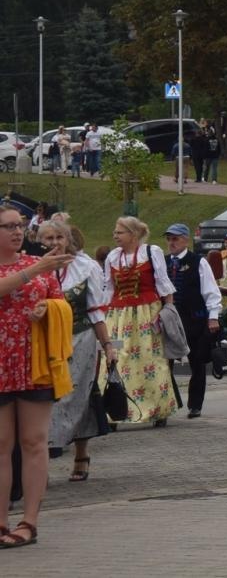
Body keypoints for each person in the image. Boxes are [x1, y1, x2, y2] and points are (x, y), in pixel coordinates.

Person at [0, 207, 69, 550]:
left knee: (33, 442)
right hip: (0, 362)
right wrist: (34, 270)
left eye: (20, 226)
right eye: (8, 226)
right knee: (0, 445)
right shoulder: (37, 266)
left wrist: (49, 310)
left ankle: (29, 522)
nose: (17, 232)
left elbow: (61, 303)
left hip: (34, 362)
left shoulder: (39, 265)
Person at [39, 219, 110, 482]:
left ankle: (81, 453)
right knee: (44, 399)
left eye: (59, 237)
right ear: (40, 241)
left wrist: (108, 345)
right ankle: (40, 462)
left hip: (80, 338)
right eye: (49, 238)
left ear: (69, 240)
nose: (54, 243)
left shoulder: (86, 267)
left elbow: (96, 311)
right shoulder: (35, 268)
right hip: (44, 341)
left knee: (78, 394)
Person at [100, 216, 178, 426]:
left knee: (151, 360)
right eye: (115, 232)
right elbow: (108, 288)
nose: (115, 236)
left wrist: (168, 310)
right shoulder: (112, 257)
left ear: (133, 235)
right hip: (118, 315)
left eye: (119, 232)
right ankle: (115, 410)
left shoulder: (152, 252)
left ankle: (157, 410)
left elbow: (163, 283)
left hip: (146, 313)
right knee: (116, 360)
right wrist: (103, 316)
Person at [162, 223, 222, 419]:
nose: (172, 243)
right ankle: (169, 401)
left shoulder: (198, 262)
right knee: (165, 362)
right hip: (170, 319)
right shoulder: (162, 262)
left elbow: (211, 291)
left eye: (175, 239)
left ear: (185, 240)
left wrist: (213, 317)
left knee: (197, 362)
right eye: (169, 239)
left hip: (194, 318)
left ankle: (195, 404)